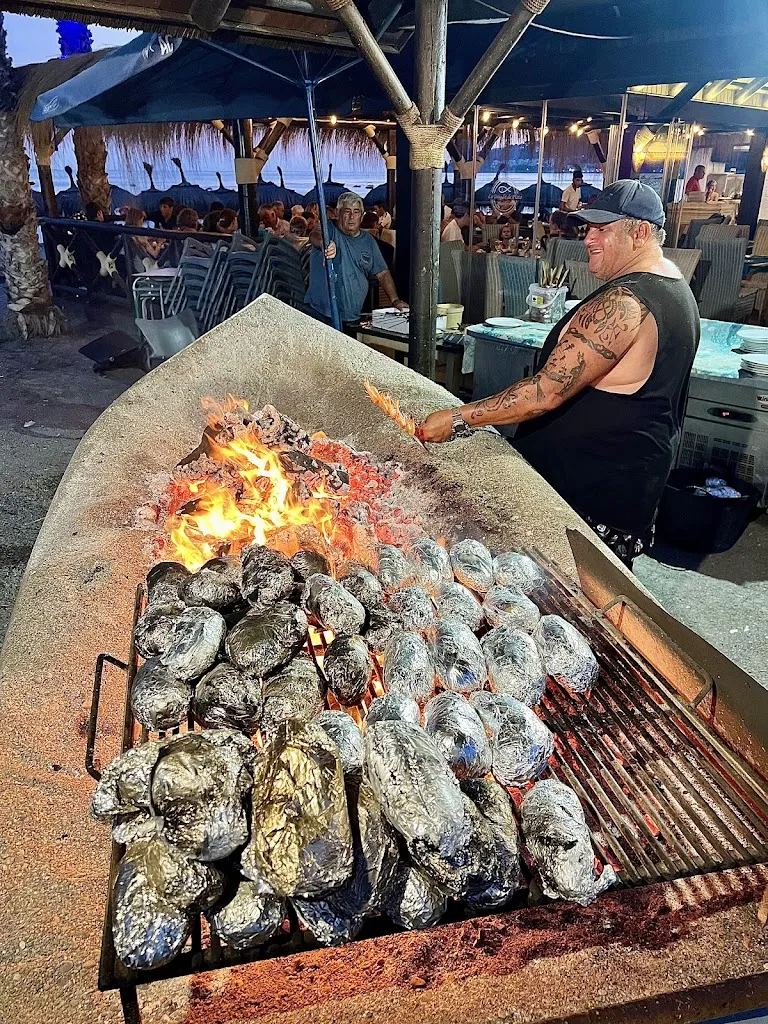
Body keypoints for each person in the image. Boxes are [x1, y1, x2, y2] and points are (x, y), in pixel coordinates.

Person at [418, 180, 700, 568]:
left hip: (586, 499)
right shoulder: (675, 287)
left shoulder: (626, 302)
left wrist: (457, 418)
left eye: (603, 229)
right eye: (589, 228)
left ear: (641, 232)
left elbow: (544, 393)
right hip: (625, 488)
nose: (588, 239)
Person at [305, 190, 408, 333]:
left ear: (361, 215)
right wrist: (324, 244)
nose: (352, 216)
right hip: (321, 314)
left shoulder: (368, 241)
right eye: (347, 211)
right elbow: (314, 235)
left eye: (356, 212)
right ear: (337, 212)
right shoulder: (329, 228)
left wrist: (395, 300)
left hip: (352, 317)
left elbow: (382, 273)